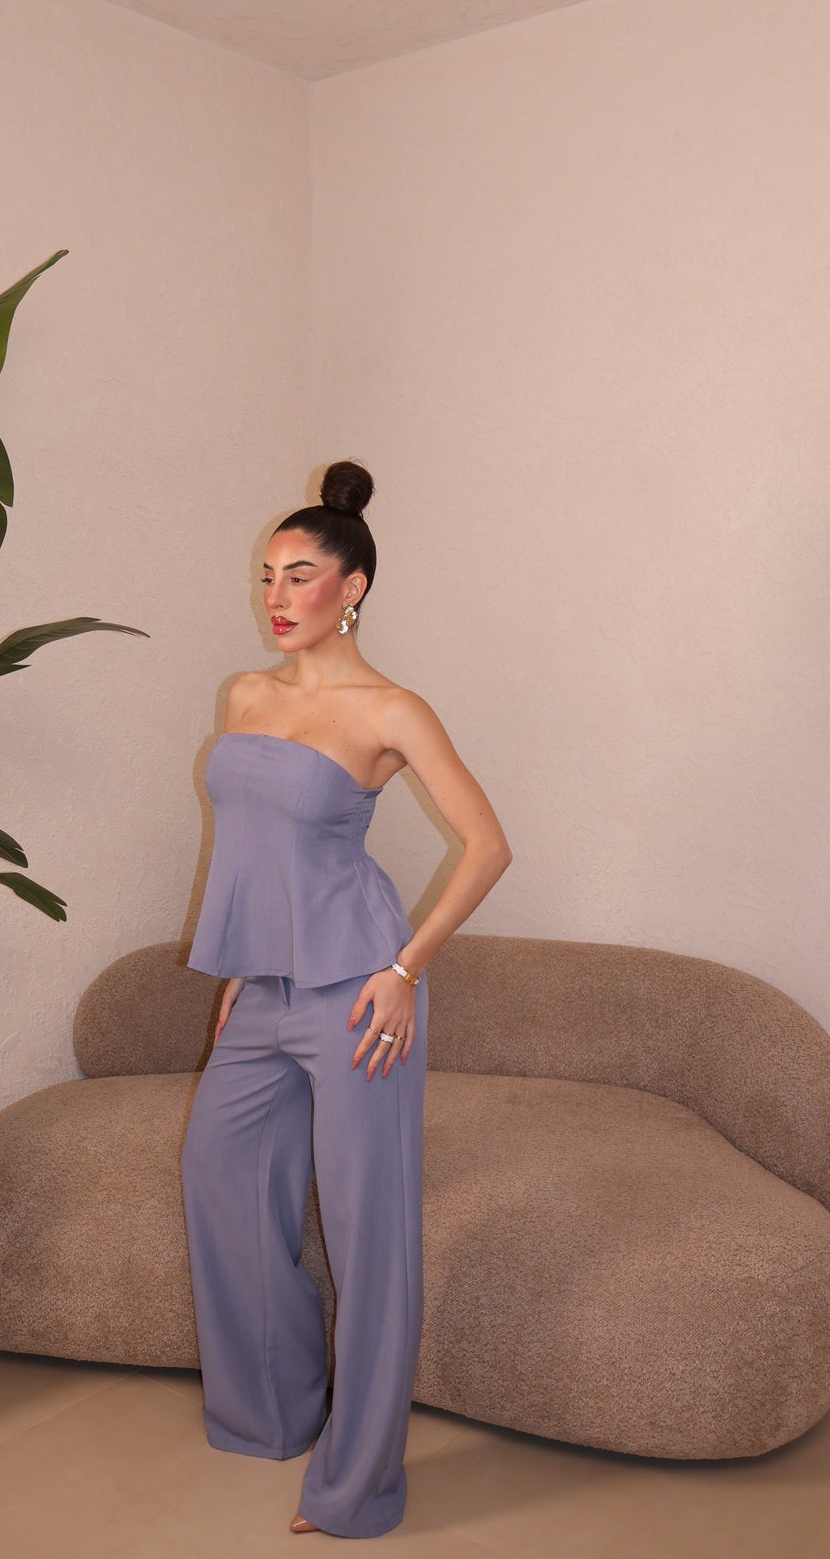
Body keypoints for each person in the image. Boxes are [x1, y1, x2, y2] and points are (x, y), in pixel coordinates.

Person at [180, 458, 512, 1539]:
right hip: (263, 990)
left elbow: (487, 845)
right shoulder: (245, 695)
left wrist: (405, 970)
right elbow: (247, 845)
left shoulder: (390, 709)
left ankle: (356, 1486)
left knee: (372, 1239)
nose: (277, 597)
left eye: (301, 576)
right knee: (220, 1178)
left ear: (352, 587)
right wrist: (237, 965)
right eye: (267, 577)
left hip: (361, 996)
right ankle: (270, 1413)